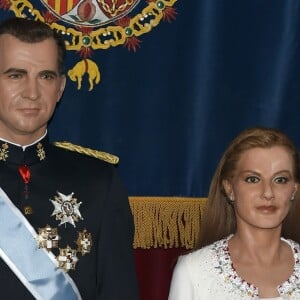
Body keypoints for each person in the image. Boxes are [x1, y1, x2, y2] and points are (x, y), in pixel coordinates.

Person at [0, 17, 139, 299]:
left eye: (46, 76)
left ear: (61, 87)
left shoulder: (99, 182)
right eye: (16, 75)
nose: (32, 93)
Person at [168, 127, 300, 299]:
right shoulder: (193, 271)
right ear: (229, 188)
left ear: (294, 190)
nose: (268, 193)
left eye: (280, 180)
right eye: (253, 179)